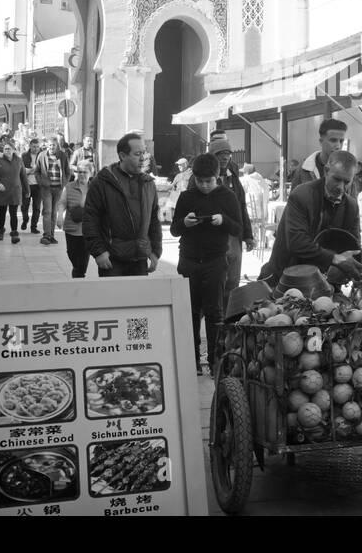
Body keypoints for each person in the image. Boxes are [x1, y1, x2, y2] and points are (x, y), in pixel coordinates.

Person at [171, 154, 241, 373]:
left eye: (208, 181)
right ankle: (192, 361)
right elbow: (174, 229)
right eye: (199, 181)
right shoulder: (186, 197)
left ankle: (214, 360)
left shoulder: (228, 196)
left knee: (214, 312)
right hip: (189, 260)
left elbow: (238, 228)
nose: (204, 186)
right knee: (189, 311)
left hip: (215, 260)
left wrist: (223, 221)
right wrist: (185, 222)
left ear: (217, 177)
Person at [259, 149, 362, 287]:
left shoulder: (351, 206)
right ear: (326, 171)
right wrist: (335, 258)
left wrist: (355, 271)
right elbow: (297, 241)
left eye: (347, 182)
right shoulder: (302, 195)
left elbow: (353, 246)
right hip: (285, 279)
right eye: (337, 179)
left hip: (323, 285)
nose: (340, 187)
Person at [84, 132, 162, 277]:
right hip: (112, 259)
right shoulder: (102, 182)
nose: (143, 158)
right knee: (113, 299)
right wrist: (99, 252)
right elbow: (90, 220)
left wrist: (156, 251)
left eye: (144, 153)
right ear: (122, 155)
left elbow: (154, 220)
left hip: (140, 258)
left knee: (139, 300)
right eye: (137, 153)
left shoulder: (148, 183)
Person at [208, 139, 254, 295]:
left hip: (234, 236)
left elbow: (242, 206)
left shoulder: (233, 177)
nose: (225, 157)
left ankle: (227, 316)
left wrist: (248, 235)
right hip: (212, 238)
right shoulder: (202, 178)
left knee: (232, 281)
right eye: (220, 154)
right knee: (214, 281)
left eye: (227, 154)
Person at [61, 160, 94, 277]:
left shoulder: (94, 188)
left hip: (87, 230)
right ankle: (78, 272)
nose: (81, 174)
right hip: (71, 228)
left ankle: (78, 276)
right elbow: (62, 203)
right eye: (79, 172)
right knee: (71, 253)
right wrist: (60, 216)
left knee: (82, 260)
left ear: (91, 173)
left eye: (84, 172)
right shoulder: (69, 187)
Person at [0, 140, 28, 244]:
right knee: (2, 212)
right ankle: (1, 232)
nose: (7, 150)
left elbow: (23, 176)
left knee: (13, 213)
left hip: (15, 191)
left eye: (9, 149)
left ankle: (14, 234)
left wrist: (27, 190)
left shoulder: (19, 160)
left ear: (13, 150)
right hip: (2, 190)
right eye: (5, 149)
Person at [34, 136, 67, 246]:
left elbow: (67, 171)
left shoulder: (62, 155)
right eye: (50, 145)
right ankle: (46, 235)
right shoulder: (42, 155)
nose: (52, 147)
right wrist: (41, 182)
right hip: (46, 188)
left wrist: (64, 183)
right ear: (47, 146)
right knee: (47, 211)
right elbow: (37, 171)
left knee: (54, 212)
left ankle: (51, 235)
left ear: (57, 146)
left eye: (54, 145)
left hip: (58, 188)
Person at [296, 119, 347, 185]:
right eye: (333, 140)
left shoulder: (347, 170)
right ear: (321, 141)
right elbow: (294, 195)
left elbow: (353, 195)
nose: (338, 146)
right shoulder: (303, 170)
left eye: (341, 141)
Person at [21, 138, 43, 233]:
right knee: (24, 206)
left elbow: (43, 169)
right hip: (27, 185)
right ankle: (25, 220)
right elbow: (22, 170)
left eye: (37, 146)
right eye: (34, 146)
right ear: (30, 146)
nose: (36, 148)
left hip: (38, 185)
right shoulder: (24, 155)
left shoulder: (42, 155)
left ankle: (33, 226)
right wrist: (32, 170)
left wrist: (30, 170)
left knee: (37, 207)